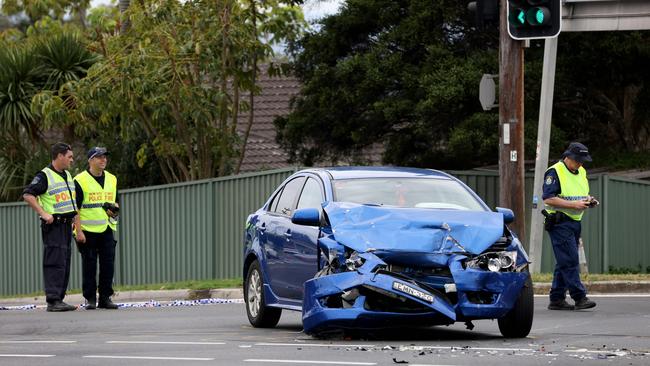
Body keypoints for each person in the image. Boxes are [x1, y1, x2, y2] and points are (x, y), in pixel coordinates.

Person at [542, 142, 598, 311]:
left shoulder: (581, 171)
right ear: (568, 157)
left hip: (575, 222)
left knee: (564, 260)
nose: (580, 163)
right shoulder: (555, 172)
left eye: (582, 160)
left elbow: (581, 193)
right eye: (577, 160)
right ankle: (579, 297)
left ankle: (557, 299)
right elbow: (548, 198)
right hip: (559, 222)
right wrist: (574, 205)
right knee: (570, 259)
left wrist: (589, 200)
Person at [23, 142, 78, 312]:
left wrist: (75, 220)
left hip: (66, 225)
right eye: (69, 156)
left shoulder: (67, 175)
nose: (72, 160)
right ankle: (53, 300)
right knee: (54, 262)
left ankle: (59, 299)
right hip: (54, 226)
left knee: (64, 262)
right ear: (60, 156)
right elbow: (28, 194)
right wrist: (43, 213)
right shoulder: (45, 175)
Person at [73, 147, 119, 310]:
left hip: (106, 227)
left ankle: (105, 297)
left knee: (108, 264)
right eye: (99, 157)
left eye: (105, 157)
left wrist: (114, 209)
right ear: (90, 160)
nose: (103, 160)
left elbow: (116, 201)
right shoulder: (79, 180)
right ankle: (90, 298)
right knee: (89, 265)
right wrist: (78, 231)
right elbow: (75, 208)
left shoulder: (112, 179)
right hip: (86, 230)